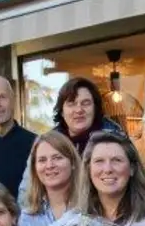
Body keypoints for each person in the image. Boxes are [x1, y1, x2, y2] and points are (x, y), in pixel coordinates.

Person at [18, 77, 127, 205]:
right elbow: (28, 189)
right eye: (71, 103)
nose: (79, 110)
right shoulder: (46, 144)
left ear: (96, 108)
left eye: (85, 103)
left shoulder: (117, 140)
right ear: (62, 111)